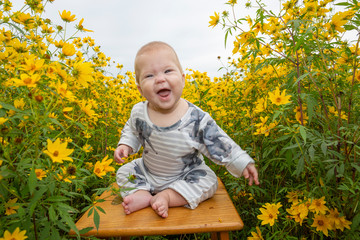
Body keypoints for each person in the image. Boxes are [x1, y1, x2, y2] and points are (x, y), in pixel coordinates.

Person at [114, 41, 259, 218]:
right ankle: (141, 194)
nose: (160, 79)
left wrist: (241, 161)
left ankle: (168, 196)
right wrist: (126, 145)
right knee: (124, 172)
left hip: (186, 176)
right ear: (140, 89)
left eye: (168, 71)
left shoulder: (196, 118)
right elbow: (132, 128)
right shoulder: (139, 111)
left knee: (209, 181)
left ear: (183, 79)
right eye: (149, 76)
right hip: (148, 171)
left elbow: (218, 142)